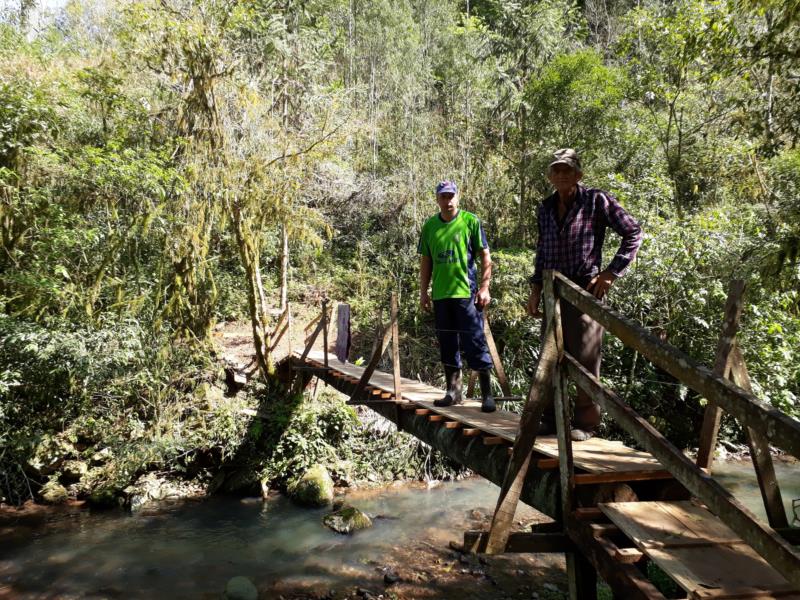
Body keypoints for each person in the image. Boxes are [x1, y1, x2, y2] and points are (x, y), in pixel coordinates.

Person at [527, 149, 642, 441]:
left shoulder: (596, 200)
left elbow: (633, 232)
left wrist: (611, 273)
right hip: (553, 290)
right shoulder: (546, 207)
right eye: (557, 170)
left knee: (586, 357)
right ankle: (552, 419)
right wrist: (535, 289)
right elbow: (542, 252)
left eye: (568, 170)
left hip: (585, 289)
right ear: (551, 176)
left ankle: (586, 424)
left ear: (579, 174)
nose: (562, 175)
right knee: (551, 356)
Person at [419, 180, 496, 413]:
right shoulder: (430, 226)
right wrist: (423, 292)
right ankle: (453, 393)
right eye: (443, 196)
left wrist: (485, 287)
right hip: (441, 295)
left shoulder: (470, 221)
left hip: (467, 293)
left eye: (451, 196)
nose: (448, 200)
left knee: (474, 341)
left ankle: (487, 395)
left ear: (458, 197)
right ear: (437, 199)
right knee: (447, 343)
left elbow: (485, 256)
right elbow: (426, 261)